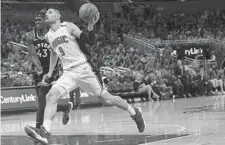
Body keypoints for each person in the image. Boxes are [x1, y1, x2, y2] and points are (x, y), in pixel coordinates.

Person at [24, 7, 145, 144]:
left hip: (85, 68)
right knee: (51, 96)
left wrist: (91, 26)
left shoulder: (68, 27)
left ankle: (134, 112)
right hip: (69, 73)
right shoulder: (49, 36)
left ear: (58, 16)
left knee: (106, 99)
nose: (46, 14)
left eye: (50, 12)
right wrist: (50, 73)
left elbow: (90, 41)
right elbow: (53, 53)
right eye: (46, 13)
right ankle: (45, 132)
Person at [23, 10, 73, 139]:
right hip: (38, 70)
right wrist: (39, 71)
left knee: (41, 99)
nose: (37, 23)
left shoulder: (53, 35)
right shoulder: (29, 36)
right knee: (45, 101)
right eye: (35, 21)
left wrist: (51, 72)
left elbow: (57, 53)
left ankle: (39, 129)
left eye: (39, 20)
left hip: (52, 70)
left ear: (45, 22)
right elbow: (33, 55)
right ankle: (64, 107)